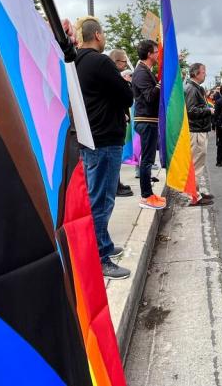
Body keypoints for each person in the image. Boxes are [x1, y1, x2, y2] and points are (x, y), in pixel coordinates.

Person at [73, 17, 134, 280]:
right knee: (102, 200)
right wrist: (125, 81)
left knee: (96, 196)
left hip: (90, 137)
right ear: (97, 35)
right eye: (104, 33)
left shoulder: (76, 61)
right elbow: (126, 96)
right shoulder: (101, 61)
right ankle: (100, 258)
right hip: (105, 139)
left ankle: (104, 244)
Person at [131, 39, 167, 210]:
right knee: (146, 161)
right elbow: (150, 97)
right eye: (155, 51)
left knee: (148, 160)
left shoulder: (146, 71)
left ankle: (149, 194)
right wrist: (161, 82)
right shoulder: (141, 73)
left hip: (149, 120)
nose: (158, 54)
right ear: (148, 54)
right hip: (145, 121)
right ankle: (146, 197)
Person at [184, 63, 215, 207]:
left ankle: (195, 192)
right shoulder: (192, 88)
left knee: (198, 163)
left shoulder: (194, 87)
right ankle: (193, 195)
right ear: (196, 73)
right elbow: (191, 111)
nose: (205, 74)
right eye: (203, 72)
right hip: (196, 131)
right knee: (196, 164)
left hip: (198, 129)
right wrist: (208, 111)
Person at [109, 49, 135, 197]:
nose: (126, 65)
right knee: (113, 159)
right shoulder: (113, 78)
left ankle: (117, 183)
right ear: (117, 62)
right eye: (124, 62)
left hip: (118, 122)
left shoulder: (114, 77)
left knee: (115, 160)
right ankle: (115, 186)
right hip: (113, 125)